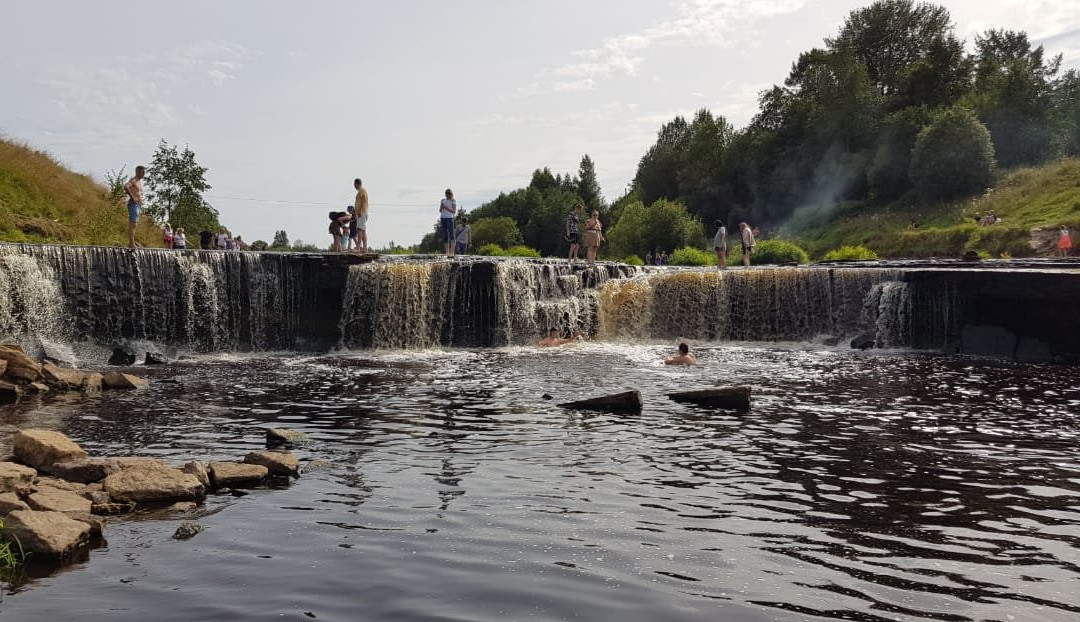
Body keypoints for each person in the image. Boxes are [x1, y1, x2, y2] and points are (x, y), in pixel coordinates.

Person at [122, 165, 145, 248]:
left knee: (135, 224)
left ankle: (133, 242)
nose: (144, 174)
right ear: (138, 171)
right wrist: (133, 198)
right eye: (143, 172)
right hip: (133, 204)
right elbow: (126, 187)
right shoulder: (134, 180)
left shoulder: (138, 181)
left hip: (138, 205)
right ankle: (131, 244)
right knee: (132, 224)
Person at [440, 188, 457, 257]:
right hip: (443, 218)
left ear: (451, 194)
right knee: (445, 235)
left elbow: (454, 211)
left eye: (449, 194)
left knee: (451, 235)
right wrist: (441, 207)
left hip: (449, 218)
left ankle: (452, 252)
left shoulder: (453, 201)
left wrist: (446, 207)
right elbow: (440, 210)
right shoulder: (443, 200)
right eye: (446, 194)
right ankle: (447, 252)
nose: (447, 195)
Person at [354, 178, 369, 254]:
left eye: (354, 184)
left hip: (362, 212)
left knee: (360, 229)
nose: (354, 186)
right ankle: (364, 248)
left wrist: (359, 211)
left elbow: (363, 201)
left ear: (357, 184)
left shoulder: (361, 190)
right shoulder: (360, 191)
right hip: (362, 212)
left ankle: (358, 247)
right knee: (362, 230)